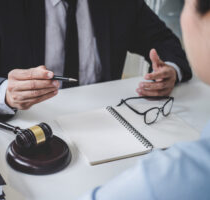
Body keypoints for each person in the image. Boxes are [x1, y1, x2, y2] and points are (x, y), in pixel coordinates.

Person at [0, 0, 192, 117]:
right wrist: (6, 93)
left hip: (108, 121)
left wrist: (170, 70)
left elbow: (165, 42)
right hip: (29, 126)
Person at [79, 0, 210, 199]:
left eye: (186, 4)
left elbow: (163, 39)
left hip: (109, 147)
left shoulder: (170, 179)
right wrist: (11, 93)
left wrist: (171, 69)